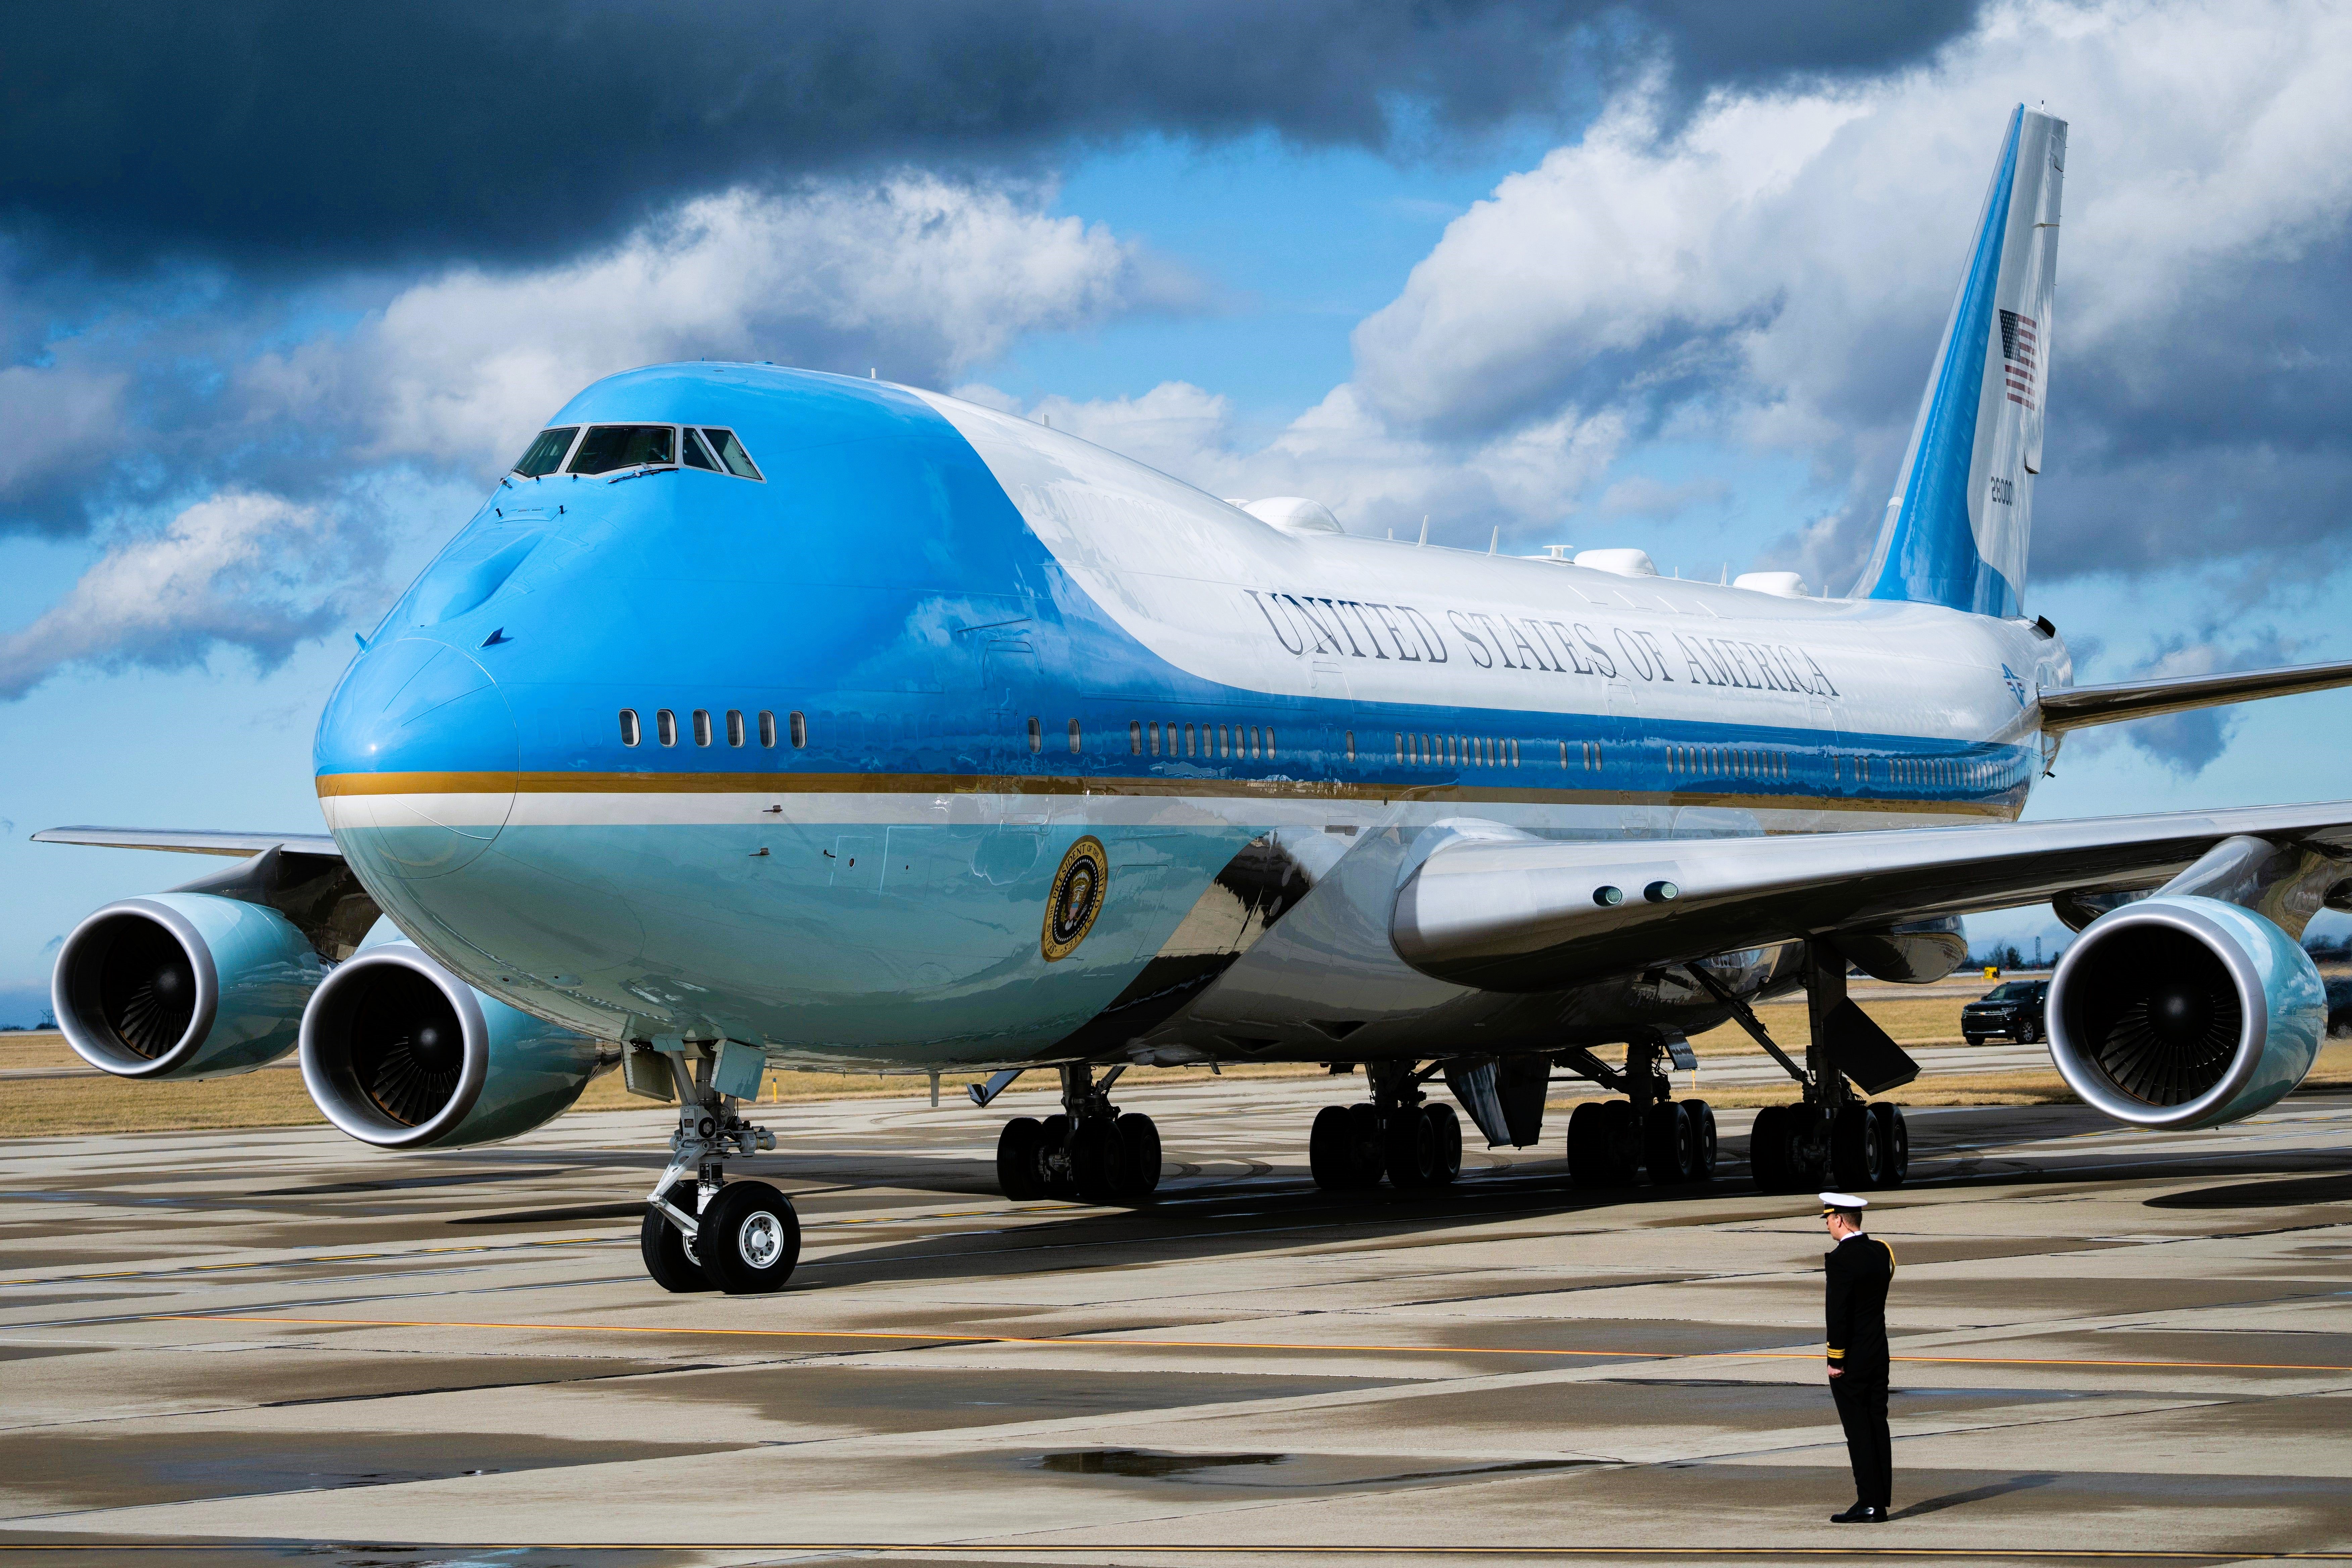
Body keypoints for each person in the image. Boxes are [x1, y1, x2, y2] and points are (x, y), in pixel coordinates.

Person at [1820, 1190, 1896, 1523]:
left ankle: (1868, 1501)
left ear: (1838, 1218)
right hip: (1879, 1352)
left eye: (1828, 1220)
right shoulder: (1881, 1252)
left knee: (1859, 1430)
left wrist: (1836, 1359)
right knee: (1877, 1424)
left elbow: (1838, 1315)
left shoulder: (1841, 1260)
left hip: (1852, 1359)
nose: (1827, 1226)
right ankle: (1879, 1500)